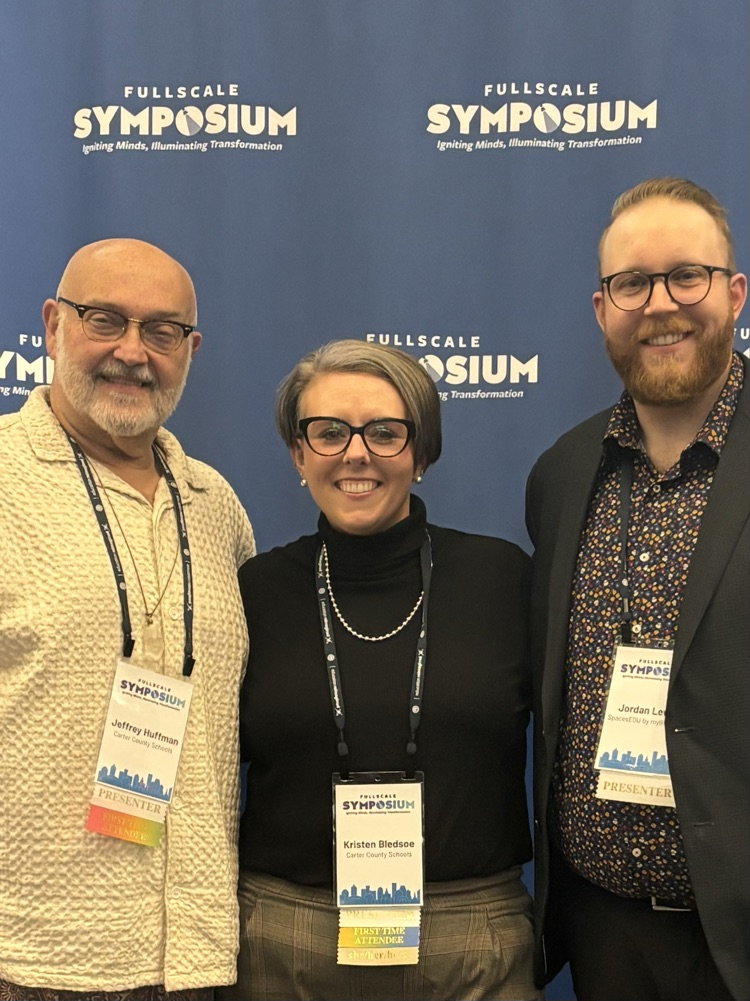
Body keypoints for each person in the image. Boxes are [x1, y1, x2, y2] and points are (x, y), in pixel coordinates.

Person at [219, 340, 539, 1001]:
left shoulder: (503, 578)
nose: (355, 452)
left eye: (385, 432)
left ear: (420, 454)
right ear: (298, 453)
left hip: (469, 943)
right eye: (329, 431)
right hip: (289, 942)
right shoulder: (254, 590)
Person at [0, 239, 255, 1000]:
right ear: (51, 323)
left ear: (191, 348)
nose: (132, 351)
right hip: (30, 958)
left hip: (198, 957)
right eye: (104, 319)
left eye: (162, 330)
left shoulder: (216, 506)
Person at [526, 178, 749, 1001]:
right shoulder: (560, 473)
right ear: (600, 307)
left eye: (686, 276)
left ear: (733, 292)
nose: (661, 305)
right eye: (632, 283)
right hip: (603, 931)